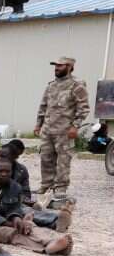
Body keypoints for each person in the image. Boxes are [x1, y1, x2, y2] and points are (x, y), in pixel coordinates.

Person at [0, 159, 72, 256]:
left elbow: (15, 207)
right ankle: (47, 247)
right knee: (12, 233)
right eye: (0, 171)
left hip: (6, 218)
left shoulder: (15, 187)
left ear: (12, 172)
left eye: (7, 171)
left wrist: (16, 218)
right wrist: (8, 223)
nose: (4, 174)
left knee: (27, 226)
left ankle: (52, 242)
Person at [35, 56, 90, 205]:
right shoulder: (51, 85)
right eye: (55, 66)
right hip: (48, 129)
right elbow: (43, 106)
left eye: (60, 66)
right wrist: (38, 124)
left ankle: (60, 188)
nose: (56, 68)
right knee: (46, 158)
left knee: (63, 160)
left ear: (70, 67)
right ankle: (46, 185)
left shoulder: (77, 85)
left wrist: (75, 126)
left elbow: (83, 108)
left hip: (65, 130)